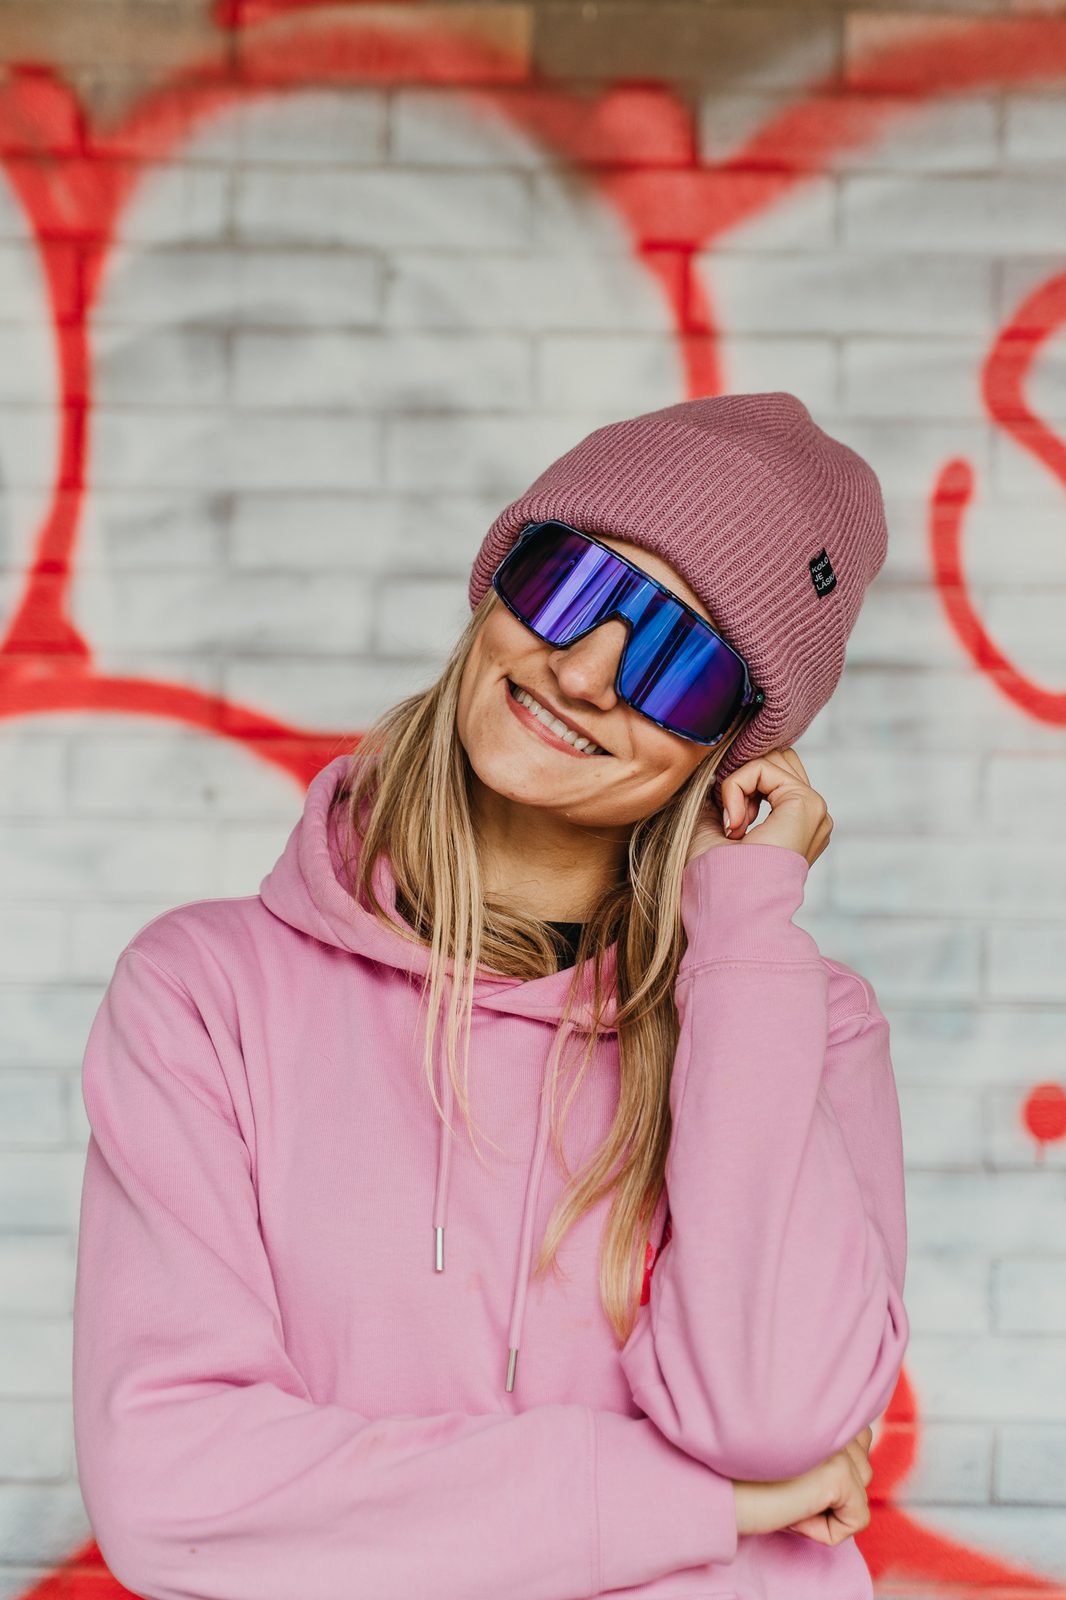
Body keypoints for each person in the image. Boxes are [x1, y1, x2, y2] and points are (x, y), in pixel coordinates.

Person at [72, 392, 910, 1600]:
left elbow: (775, 1417)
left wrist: (743, 934)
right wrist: (700, 1508)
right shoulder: (207, 995)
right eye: (568, 584)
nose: (583, 670)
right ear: (498, 585)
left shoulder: (800, 1020)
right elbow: (174, 1492)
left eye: (676, 660)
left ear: (733, 749)